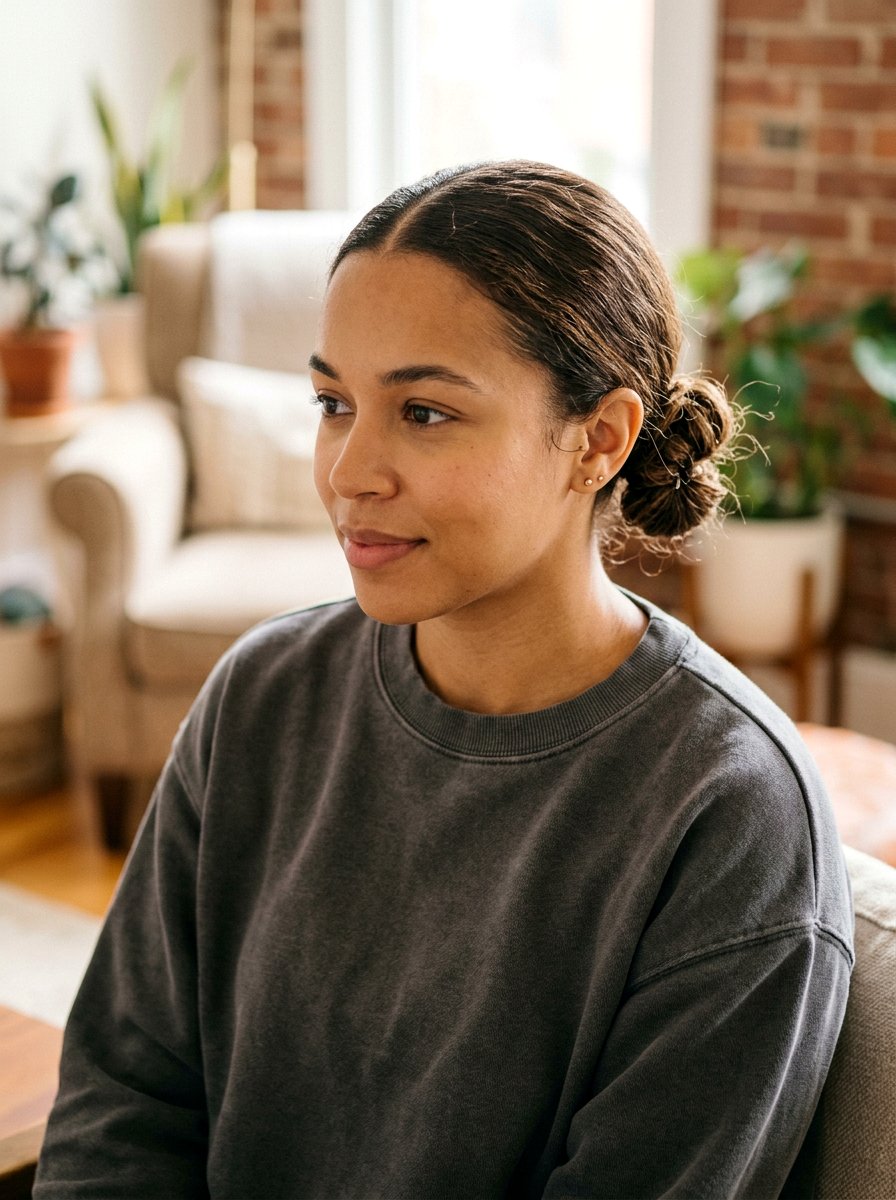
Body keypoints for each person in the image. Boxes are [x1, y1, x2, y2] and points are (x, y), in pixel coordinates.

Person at [35, 161, 852, 1200]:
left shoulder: (729, 813)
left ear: (597, 440)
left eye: (422, 412)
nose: (346, 471)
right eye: (333, 402)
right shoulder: (261, 697)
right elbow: (121, 1102)